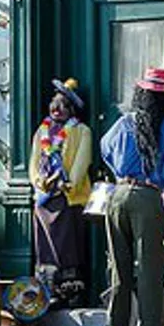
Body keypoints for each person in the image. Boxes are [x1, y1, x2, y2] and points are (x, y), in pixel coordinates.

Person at [98, 67, 164, 326]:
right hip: (148, 197)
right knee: (150, 270)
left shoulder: (125, 122)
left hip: (117, 195)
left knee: (119, 270)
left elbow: (105, 148)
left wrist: (122, 174)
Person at [28, 77, 93, 308]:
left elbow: (81, 162)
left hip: (67, 198)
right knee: (44, 248)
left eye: (63, 105)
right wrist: (39, 181)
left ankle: (70, 292)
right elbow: (34, 162)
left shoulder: (81, 131)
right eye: (54, 103)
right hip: (45, 198)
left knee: (68, 246)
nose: (56, 109)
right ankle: (47, 290)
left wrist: (68, 184)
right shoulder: (42, 131)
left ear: (72, 109)